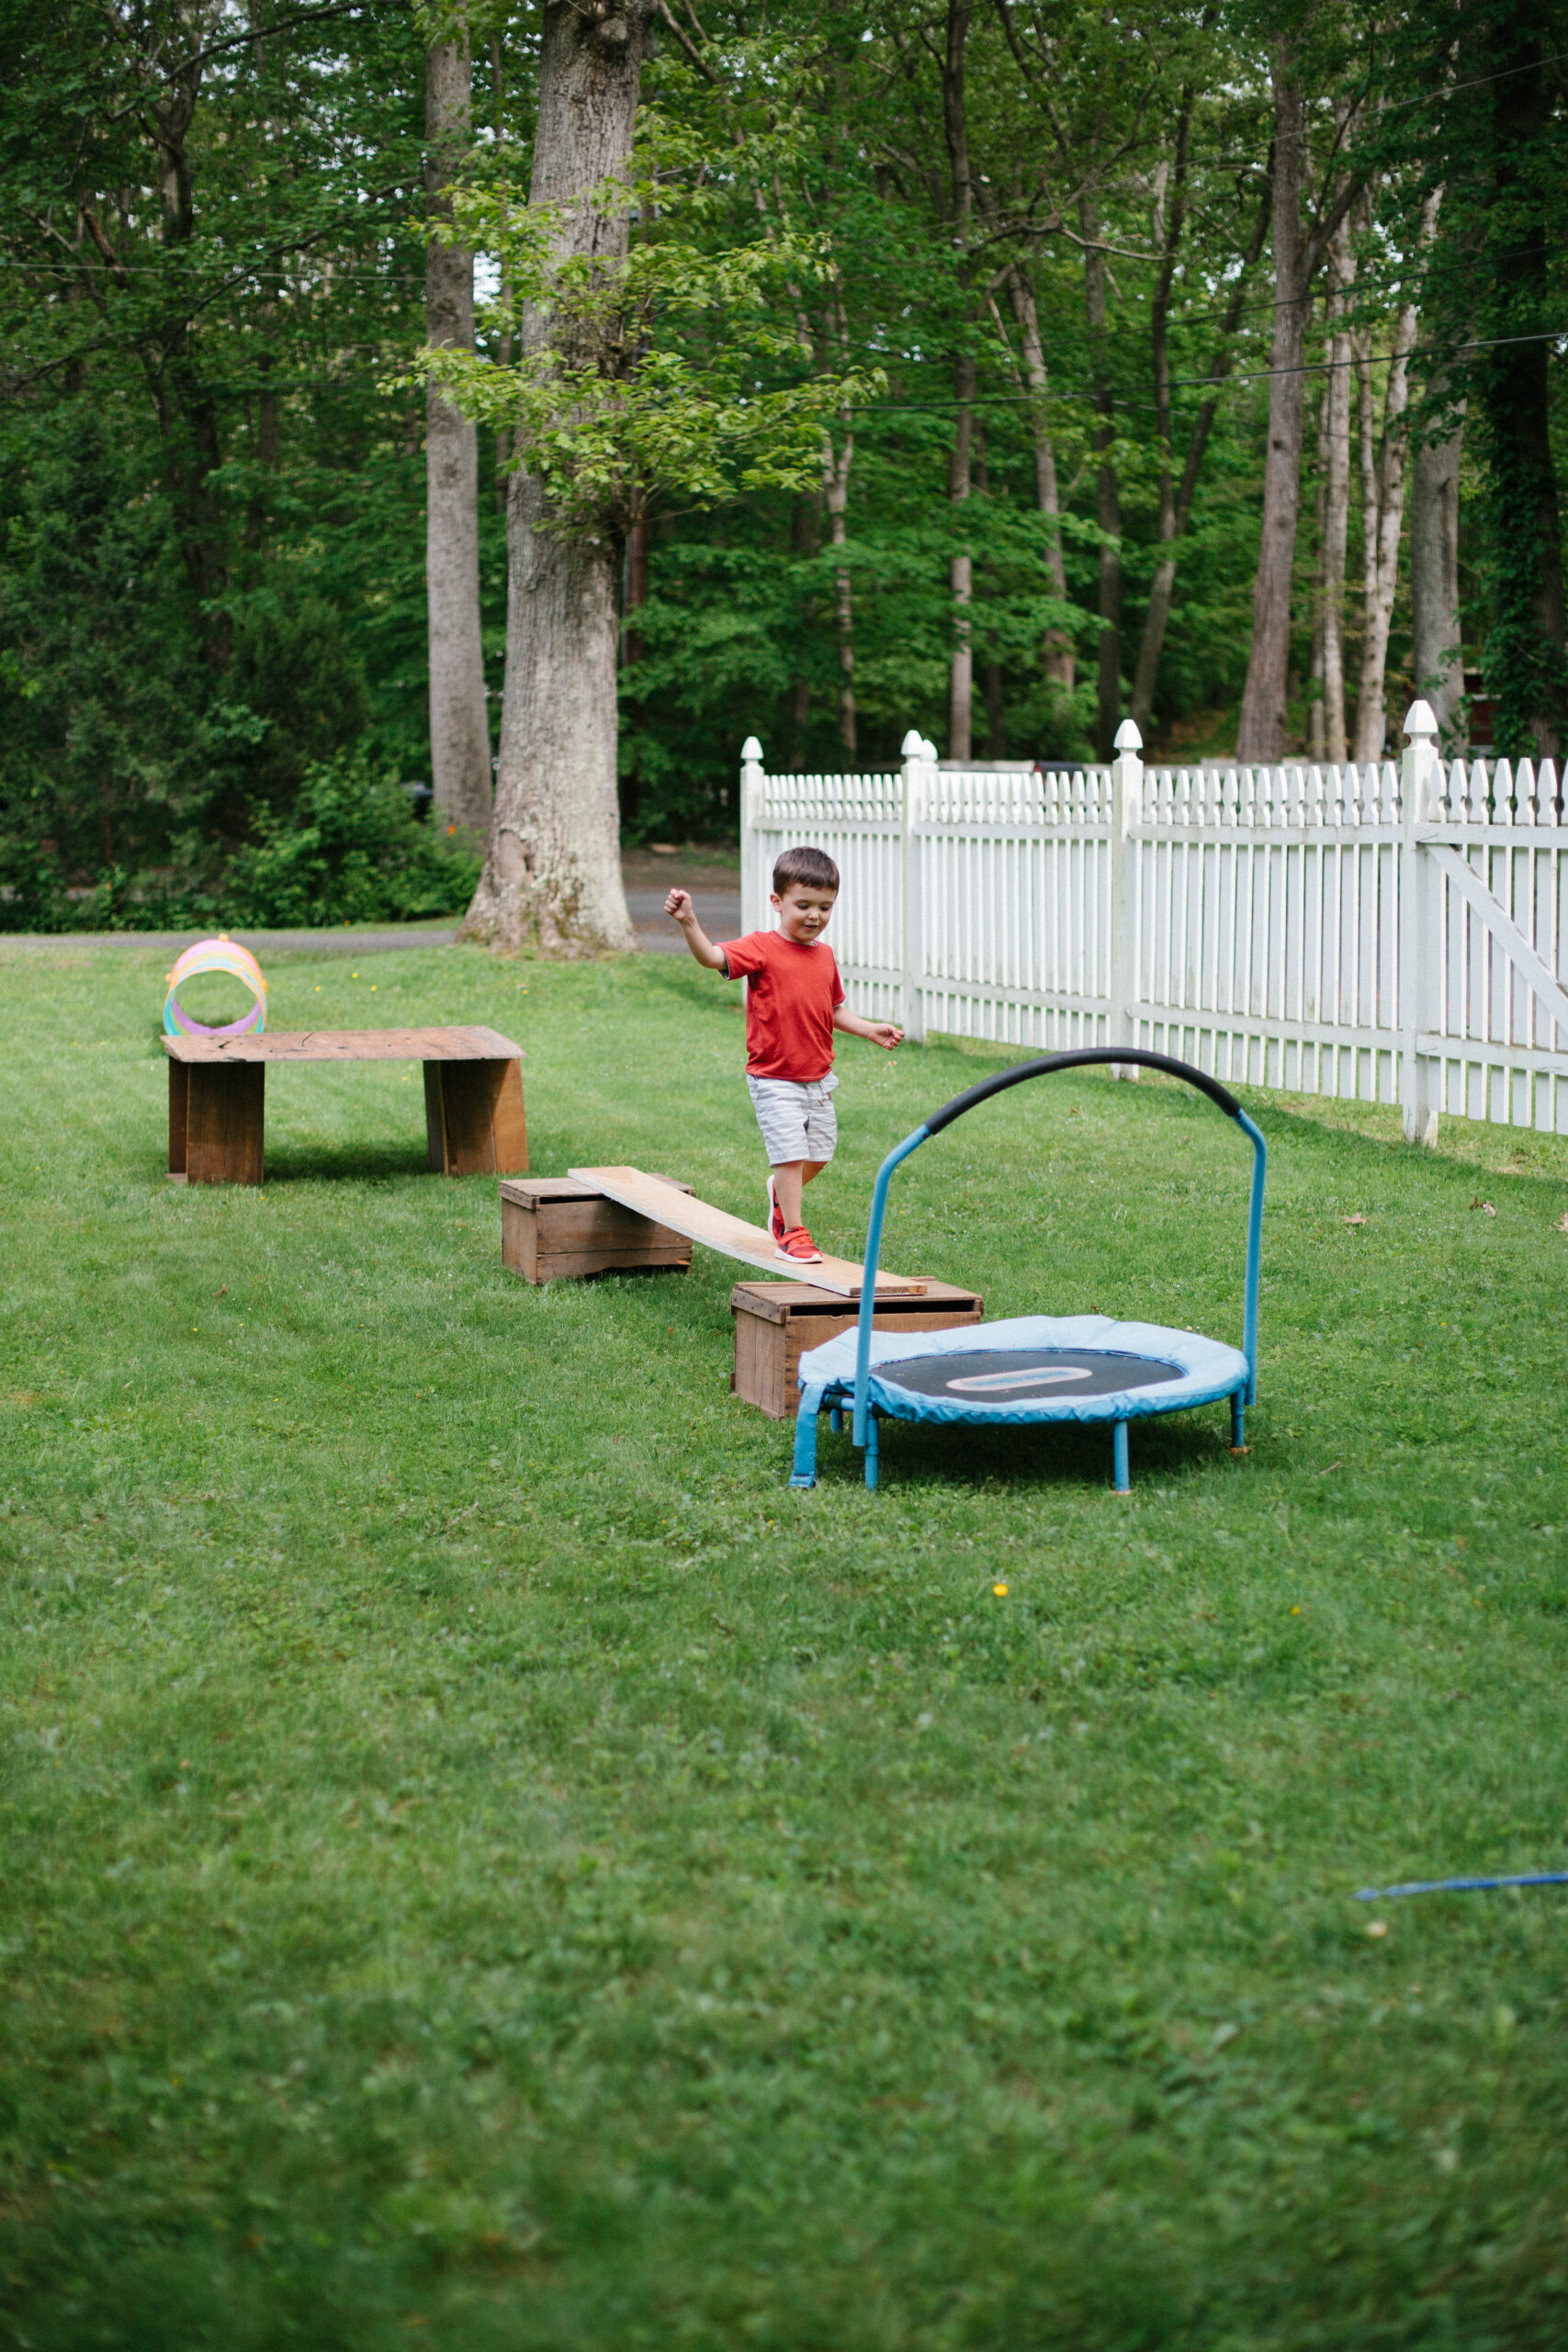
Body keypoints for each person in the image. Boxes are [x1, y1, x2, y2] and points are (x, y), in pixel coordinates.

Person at [665, 845, 903, 1264]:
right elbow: (712, 958)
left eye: (825, 907)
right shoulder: (762, 948)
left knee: (819, 1154)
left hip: (818, 1079)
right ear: (777, 903)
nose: (815, 915)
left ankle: (779, 1189)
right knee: (790, 1154)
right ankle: (792, 1232)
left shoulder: (825, 956)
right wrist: (689, 923)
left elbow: (834, 1010)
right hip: (774, 1077)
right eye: (804, 905)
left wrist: (870, 1030)